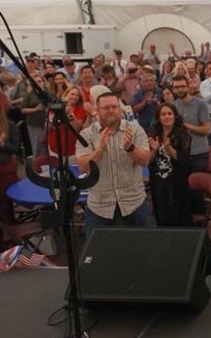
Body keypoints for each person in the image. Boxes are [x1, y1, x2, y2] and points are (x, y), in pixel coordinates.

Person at [75, 92, 152, 238]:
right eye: (106, 107)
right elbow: (83, 167)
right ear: (97, 110)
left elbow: (145, 161)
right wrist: (100, 150)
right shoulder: (86, 134)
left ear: (119, 109)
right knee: (98, 255)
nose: (111, 110)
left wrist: (130, 148)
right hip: (100, 206)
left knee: (142, 251)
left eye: (114, 107)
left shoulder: (135, 130)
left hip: (133, 203)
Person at [147, 103, 193, 226]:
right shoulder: (153, 134)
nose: (167, 117)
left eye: (169, 114)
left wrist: (169, 149)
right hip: (158, 180)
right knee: (161, 213)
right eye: (163, 114)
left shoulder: (183, 135)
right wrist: (154, 150)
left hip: (177, 180)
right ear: (159, 117)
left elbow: (184, 161)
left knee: (177, 213)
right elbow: (148, 161)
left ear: (175, 116)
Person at [172, 75, 210, 173]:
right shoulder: (173, 106)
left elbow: (207, 130)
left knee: (199, 186)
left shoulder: (200, 104)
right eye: (176, 87)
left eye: (183, 86)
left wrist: (185, 125)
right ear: (173, 89)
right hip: (181, 154)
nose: (180, 89)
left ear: (188, 87)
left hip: (199, 153)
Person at [47, 86, 88, 164]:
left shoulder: (81, 110)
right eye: (72, 94)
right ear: (66, 94)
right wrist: (52, 117)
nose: (74, 97)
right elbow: (47, 127)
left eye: (77, 95)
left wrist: (69, 114)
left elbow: (77, 128)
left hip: (72, 148)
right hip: (56, 147)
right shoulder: (56, 106)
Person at [0, 107, 20, 223]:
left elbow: (15, 148)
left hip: (5, 169)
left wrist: (2, 144)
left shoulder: (10, 126)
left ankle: (9, 238)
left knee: (5, 206)